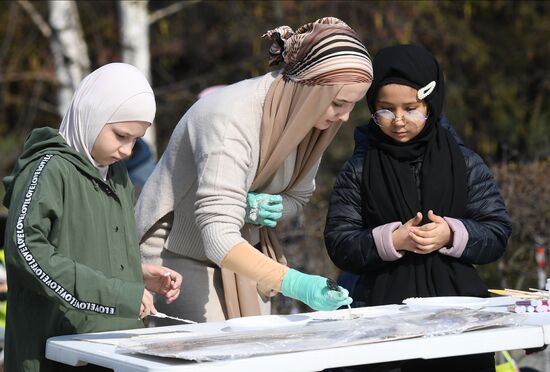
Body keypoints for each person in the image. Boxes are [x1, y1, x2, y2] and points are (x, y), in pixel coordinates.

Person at [135, 17, 373, 322]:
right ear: (310, 89)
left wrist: (261, 208)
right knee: (218, 354)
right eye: (339, 103)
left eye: (352, 105)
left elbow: (297, 198)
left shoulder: (312, 122)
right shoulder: (229, 118)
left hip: (244, 250)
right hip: (176, 252)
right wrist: (296, 283)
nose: (344, 117)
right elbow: (219, 235)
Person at [324, 44, 512, 371]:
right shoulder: (359, 167)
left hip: (459, 319)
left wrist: (452, 233)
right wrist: (392, 240)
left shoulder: (464, 162)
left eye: (411, 108)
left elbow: (496, 231)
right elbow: (340, 242)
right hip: (379, 322)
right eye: (385, 109)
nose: (398, 121)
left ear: (431, 103)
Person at [2, 63, 182, 372]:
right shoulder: (48, 169)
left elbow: (86, 250)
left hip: (114, 350)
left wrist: (135, 275)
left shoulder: (118, 176)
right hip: (53, 352)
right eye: (120, 135)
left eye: (135, 140)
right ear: (92, 114)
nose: (127, 150)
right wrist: (118, 293)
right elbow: (25, 252)